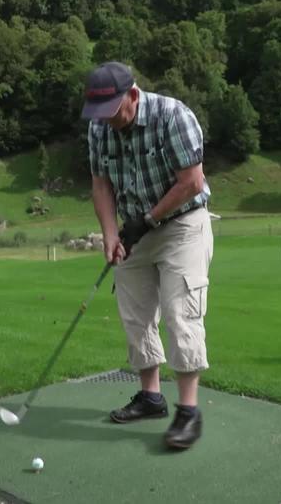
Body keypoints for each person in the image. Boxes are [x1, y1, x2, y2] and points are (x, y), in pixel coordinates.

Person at [81, 61, 214, 450]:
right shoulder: (99, 129)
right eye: (99, 115)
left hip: (182, 224)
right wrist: (111, 234)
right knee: (134, 311)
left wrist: (149, 219)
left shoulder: (173, 116)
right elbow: (101, 185)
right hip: (135, 229)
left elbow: (192, 182)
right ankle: (151, 396)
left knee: (180, 311)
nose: (106, 122)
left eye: (112, 113)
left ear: (133, 96)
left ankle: (188, 412)